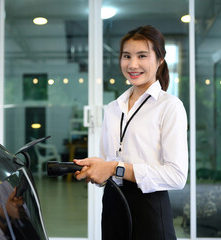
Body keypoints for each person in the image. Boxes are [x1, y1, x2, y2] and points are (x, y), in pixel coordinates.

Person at [74, 25, 188, 240]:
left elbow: (177, 177)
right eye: (127, 56)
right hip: (112, 206)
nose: (132, 64)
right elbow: (109, 162)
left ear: (160, 59)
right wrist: (97, 169)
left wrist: (114, 168)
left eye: (142, 56)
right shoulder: (113, 109)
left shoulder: (169, 106)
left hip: (149, 210)